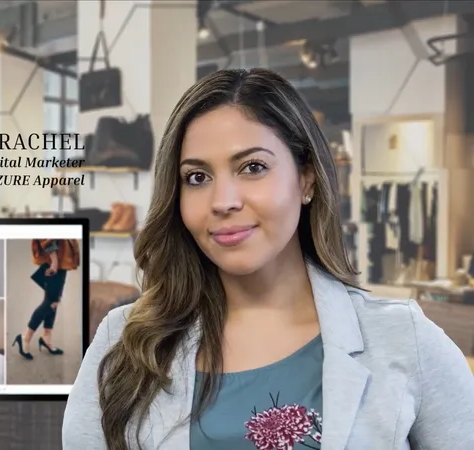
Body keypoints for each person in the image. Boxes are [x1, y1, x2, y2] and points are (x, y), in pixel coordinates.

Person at [62, 69, 474, 449]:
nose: (223, 201)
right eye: (197, 177)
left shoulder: (404, 340)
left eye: (253, 167)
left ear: (306, 178)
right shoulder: (125, 343)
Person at [13, 239, 80, 359]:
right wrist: (54, 260)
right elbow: (46, 235)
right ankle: (25, 337)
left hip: (61, 256)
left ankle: (46, 337)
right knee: (51, 302)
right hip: (56, 258)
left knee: (53, 300)